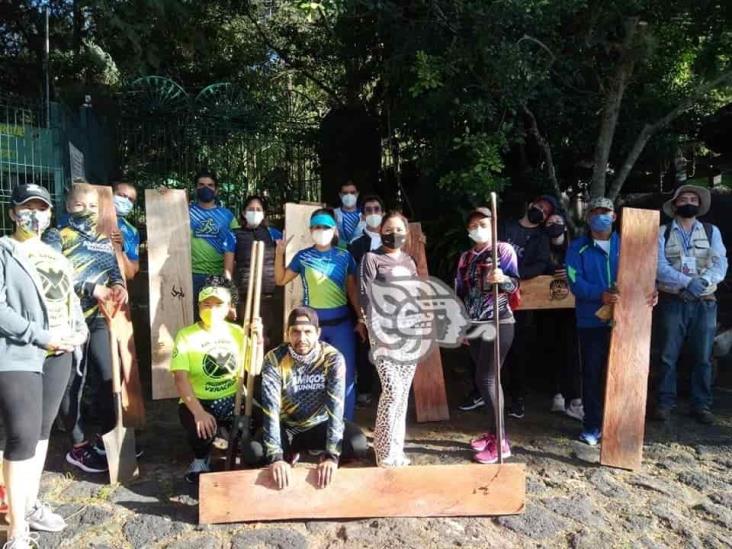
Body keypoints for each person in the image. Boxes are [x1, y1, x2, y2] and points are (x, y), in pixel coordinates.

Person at [0, 184, 87, 547]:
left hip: (59, 354)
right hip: (20, 352)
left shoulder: (57, 256)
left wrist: (79, 330)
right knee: (20, 434)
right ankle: (16, 528)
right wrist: (39, 335)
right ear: (12, 213)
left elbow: (69, 299)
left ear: (50, 214)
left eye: (41, 208)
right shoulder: (5, 251)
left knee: (41, 433)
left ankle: (30, 503)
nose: (33, 214)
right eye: (26, 207)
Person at [245, 307, 368, 489]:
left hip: (319, 424)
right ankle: (289, 456)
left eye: (308, 332)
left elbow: (336, 407)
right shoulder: (274, 359)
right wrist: (276, 457)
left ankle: (319, 453)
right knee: (254, 453)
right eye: (295, 332)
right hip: (287, 427)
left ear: (318, 333)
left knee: (358, 444)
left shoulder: (332, 358)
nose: (301, 339)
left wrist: (332, 456)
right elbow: (270, 410)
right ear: (287, 333)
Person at [57, 182, 128, 473]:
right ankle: (77, 444)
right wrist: (90, 287)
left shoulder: (103, 238)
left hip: (99, 316)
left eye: (92, 207)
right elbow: (51, 275)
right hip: (67, 317)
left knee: (107, 374)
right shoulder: (57, 236)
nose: (86, 212)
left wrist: (119, 285)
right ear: (68, 207)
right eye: (79, 206)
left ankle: (111, 438)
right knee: (72, 380)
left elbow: (113, 270)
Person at [275, 209, 364, 420]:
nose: (321, 230)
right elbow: (280, 280)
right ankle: (311, 428)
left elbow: (352, 291)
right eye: (316, 227)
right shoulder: (303, 256)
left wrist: (361, 319)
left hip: (341, 326)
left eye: (325, 227)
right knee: (308, 377)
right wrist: (279, 253)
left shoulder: (345, 256)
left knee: (345, 375)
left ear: (334, 230)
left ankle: (343, 426)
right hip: (311, 329)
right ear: (310, 230)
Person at [171, 278, 260, 483]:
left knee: (258, 422)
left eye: (218, 304)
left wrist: (259, 339)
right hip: (199, 400)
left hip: (234, 398)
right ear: (199, 306)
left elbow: (254, 368)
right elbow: (180, 378)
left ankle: (241, 448)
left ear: (229, 307)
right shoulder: (186, 335)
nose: (212, 309)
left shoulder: (238, 333)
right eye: (206, 304)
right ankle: (201, 459)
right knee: (200, 428)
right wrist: (199, 412)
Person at [654, 185, 728, 424]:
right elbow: (659, 266)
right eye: (683, 199)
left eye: (693, 199)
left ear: (699, 205)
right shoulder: (662, 232)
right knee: (667, 355)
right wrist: (687, 282)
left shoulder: (710, 231)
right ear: (675, 205)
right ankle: (665, 403)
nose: (689, 202)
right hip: (673, 300)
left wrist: (704, 281)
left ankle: (701, 405)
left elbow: (721, 263)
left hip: (705, 302)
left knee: (704, 356)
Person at [455, 207, 519, 464]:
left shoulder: (504, 251)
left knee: (488, 378)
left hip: (498, 321)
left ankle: (501, 441)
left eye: (483, 223)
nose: (477, 228)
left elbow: (515, 285)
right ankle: (493, 432)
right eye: (473, 225)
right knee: (484, 380)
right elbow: (459, 292)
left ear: (492, 226)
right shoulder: (464, 258)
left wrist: (501, 279)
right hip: (474, 323)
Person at [358, 211, 420, 466]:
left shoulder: (409, 261)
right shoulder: (371, 259)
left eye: (398, 229)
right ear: (380, 231)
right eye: (388, 229)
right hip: (383, 333)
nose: (393, 234)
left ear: (405, 234)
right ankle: (383, 452)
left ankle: (397, 449)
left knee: (403, 394)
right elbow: (365, 296)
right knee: (392, 391)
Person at [566, 197, 620, 446]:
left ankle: (619, 425)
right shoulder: (577, 247)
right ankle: (592, 425)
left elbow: (645, 274)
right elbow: (575, 282)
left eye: (606, 211)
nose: (601, 215)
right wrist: (602, 294)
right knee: (592, 373)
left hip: (626, 321)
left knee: (622, 373)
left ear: (615, 216)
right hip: (591, 321)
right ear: (588, 218)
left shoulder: (628, 244)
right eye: (596, 212)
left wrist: (651, 292)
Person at [497, 195, 556, 419]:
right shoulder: (506, 226)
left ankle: (517, 398)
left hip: (523, 299)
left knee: (518, 349)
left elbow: (540, 264)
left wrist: (513, 276)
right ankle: (484, 393)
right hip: (494, 295)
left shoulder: (541, 238)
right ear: (530, 204)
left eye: (545, 211)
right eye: (538, 206)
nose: (540, 211)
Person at [542, 213, 583, 421]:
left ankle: (575, 398)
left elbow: (581, 272)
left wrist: (570, 274)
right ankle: (556, 393)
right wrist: (551, 270)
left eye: (558, 222)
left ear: (565, 227)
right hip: (545, 308)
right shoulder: (540, 247)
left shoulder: (575, 248)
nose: (554, 225)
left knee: (572, 351)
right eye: (549, 223)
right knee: (551, 348)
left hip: (572, 309)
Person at [348, 194, 385, 404]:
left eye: (376, 209)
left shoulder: (394, 240)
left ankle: (385, 389)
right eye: (368, 210)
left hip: (389, 303)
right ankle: (364, 390)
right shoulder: (356, 244)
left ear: (383, 213)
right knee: (363, 346)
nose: (373, 214)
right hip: (363, 303)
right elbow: (352, 278)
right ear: (362, 216)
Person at [233, 196, 283, 348]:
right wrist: (231, 301)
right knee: (246, 341)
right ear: (243, 212)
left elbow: (283, 262)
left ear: (264, 213)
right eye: (251, 209)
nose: (254, 212)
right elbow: (228, 270)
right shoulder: (233, 235)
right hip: (244, 297)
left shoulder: (274, 234)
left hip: (269, 297)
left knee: (268, 341)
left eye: (258, 209)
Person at [188, 170, 238, 312]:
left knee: (215, 318)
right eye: (201, 184)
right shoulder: (185, 212)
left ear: (216, 190)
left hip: (218, 276)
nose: (206, 188)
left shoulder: (227, 216)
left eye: (210, 185)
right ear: (195, 188)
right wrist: (163, 193)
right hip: (192, 275)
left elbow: (236, 244)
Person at [110, 181, 140, 281]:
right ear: (110, 194)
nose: (126, 201)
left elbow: (130, 273)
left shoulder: (132, 231)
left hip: (115, 289)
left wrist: (120, 248)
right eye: (122, 196)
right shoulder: (87, 219)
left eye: (131, 199)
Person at [333, 180, 365, 246]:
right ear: (340, 195)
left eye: (352, 192)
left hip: (361, 253)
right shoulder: (333, 214)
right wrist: (344, 249)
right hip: (339, 252)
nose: (349, 195)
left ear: (357, 194)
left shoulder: (365, 214)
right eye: (345, 193)